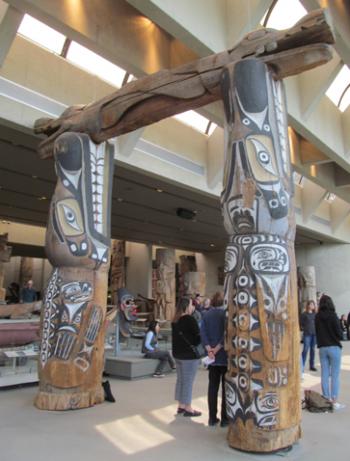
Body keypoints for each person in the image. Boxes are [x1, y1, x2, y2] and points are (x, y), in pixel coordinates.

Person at [200, 291, 228, 427]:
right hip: (224, 356)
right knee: (225, 388)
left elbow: (203, 332)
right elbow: (226, 333)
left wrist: (209, 349)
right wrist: (217, 348)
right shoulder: (225, 315)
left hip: (212, 357)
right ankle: (225, 419)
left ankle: (212, 417)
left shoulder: (206, 315)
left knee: (212, 388)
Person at [172, 296, 202, 417]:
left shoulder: (175, 320)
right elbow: (197, 338)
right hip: (189, 356)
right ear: (186, 306)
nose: (193, 307)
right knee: (188, 381)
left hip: (178, 355)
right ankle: (188, 407)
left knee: (181, 380)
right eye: (191, 304)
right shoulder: (190, 319)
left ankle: (181, 405)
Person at [315, 294, 345, 410]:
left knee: (324, 374)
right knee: (335, 375)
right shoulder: (333, 316)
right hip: (334, 347)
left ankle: (326, 399)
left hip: (322, 348)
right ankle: (334, 400)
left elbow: (317, 331)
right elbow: (339, 333)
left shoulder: (317, 317)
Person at [300, 300, 317, 372]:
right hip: (307, 334)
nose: (312, 306)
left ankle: (311, 365)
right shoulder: (304, 314)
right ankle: (302, 366)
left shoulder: (315, 314)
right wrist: (305, 328)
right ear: (308, 305)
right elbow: (301, 323)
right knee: (305, 349)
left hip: (314, 334)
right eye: (311, 304)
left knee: (313, 350)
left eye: (313, 304)